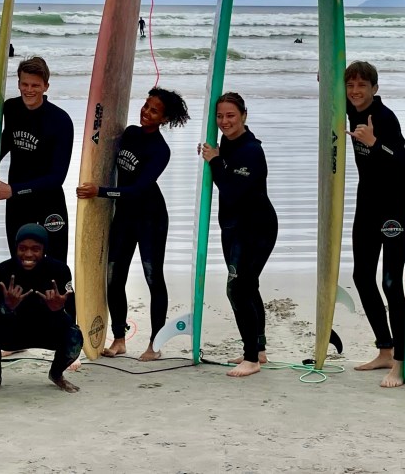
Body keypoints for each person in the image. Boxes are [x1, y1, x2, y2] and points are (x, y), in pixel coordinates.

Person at [76, 88, 190, 360]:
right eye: (146, 105)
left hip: (151, 218)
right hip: (124, 216)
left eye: (154, 110)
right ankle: (119, 339)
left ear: (164, 119)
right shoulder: (129, 133)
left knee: (153, 278)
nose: (146, 112)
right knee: (115, 278)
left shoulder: (161, 150)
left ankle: (155, 344)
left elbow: (138, 189)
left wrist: (100, 192)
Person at [198, 92, 278, 378]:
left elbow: (233, 191)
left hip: (256, 228)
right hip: (234, 227)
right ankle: (259, 349)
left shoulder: (251, 150)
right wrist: (215, 157)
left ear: (244, 115)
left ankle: (251, 358)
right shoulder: (227, 144)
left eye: (231, 115)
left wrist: (216, 162)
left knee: (238, 288)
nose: (224, 121)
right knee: (248, 286)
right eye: (220, 116)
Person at [343, 61, 405, 388]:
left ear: (374, 88)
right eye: (350, 85)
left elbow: (403, 166)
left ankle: (400, 362)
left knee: (390, 282)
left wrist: (373, 143)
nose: (355, 91)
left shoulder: (384, 117)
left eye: (362, 86)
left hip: (394, 208)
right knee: (361, 276)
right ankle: (385, 348)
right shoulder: (351, 106)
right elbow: (329, 87)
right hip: (367, 205)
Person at [0, 224, 83, 394]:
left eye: (35, 249)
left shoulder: (60, 270)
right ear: (16, 248)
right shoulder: (2, 271)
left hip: (47, 331)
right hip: (13, 332)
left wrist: (57, 310)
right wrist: (8, 308)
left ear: (44, 249)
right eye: (23, 248)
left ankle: (56, 375)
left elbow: (71, 319)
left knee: (75, 336)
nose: (28, 254)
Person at [0, 57, 74, 264]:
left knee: (55, 266)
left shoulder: (61, 121)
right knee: (20, 263)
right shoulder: (11, 108)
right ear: (18, 84)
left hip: (49, 203)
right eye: (24, 84)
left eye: (35, 85)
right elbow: (6, 140)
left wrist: (12, 190)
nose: (29, 90)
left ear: (45, 86)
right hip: (17, 205)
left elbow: (57, 178)